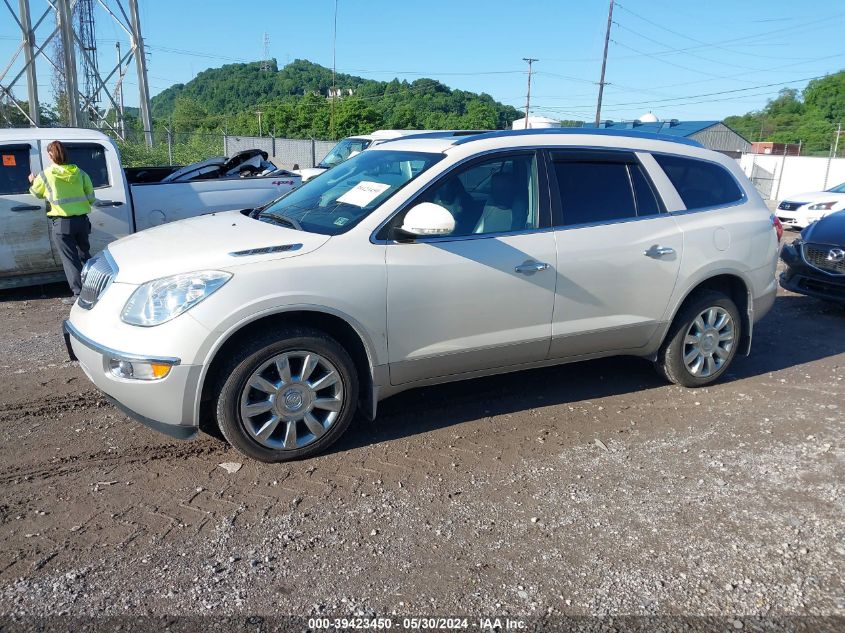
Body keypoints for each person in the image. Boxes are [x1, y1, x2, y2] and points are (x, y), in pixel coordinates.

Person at [28, 141, 95, 304]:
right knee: (85, 255)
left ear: (50, 155)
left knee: (70, 259)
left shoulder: (46, 175)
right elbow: (91, 197)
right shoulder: (80, 172)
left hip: (62, 224)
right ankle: (96, 288)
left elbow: (36, 193)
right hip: (82, 221)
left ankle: (79, 294)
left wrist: (32, 181)